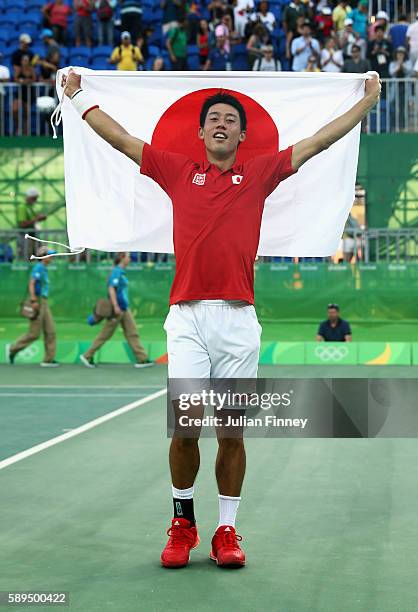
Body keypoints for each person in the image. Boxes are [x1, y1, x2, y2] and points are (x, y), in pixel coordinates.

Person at [61, 64, 380, 568]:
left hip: (238, 322)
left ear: (242, 134)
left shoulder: (259, 173)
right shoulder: (174, 170)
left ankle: (226, 531)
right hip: (186, 319)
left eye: (231, 119)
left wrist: (365, 103)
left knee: (232, 432)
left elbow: (318, 141)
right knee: (185, 428)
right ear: (201, 129)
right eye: (214, 118)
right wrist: (77, 99)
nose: (222, 124)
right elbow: (120, 139)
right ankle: (183, 524)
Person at [80, 252, 153, 368]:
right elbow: (111, 289)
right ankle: (87, 356)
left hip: (124, 308)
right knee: (105, 334)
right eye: (128, 257)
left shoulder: (121, 272)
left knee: (132, 332)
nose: (130, 259)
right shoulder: (116, 272)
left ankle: (142, 359)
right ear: (122, 258)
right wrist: (115, 306)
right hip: (117, 309)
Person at [8, 246, 59, 367]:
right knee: (34, 334)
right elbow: (32, 283)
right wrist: (33, 300)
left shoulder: (44, 268)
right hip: (37, 301)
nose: (52, 257)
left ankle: (48, 360)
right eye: (50, 255)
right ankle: (13, 349)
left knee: (50, 331)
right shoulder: (39, 268)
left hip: (43, 302)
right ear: (43, 257)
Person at [16, 188, 47, 259]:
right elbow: (22, 224)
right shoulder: (22, 207)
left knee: (39, 255)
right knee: (28, 257)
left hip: (33, 236)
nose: (36, 200)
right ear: (29, 197)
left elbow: (33, 219)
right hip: (26, 237)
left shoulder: (32, 207)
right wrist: (36, 219)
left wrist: (39, 218)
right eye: (34, 198)